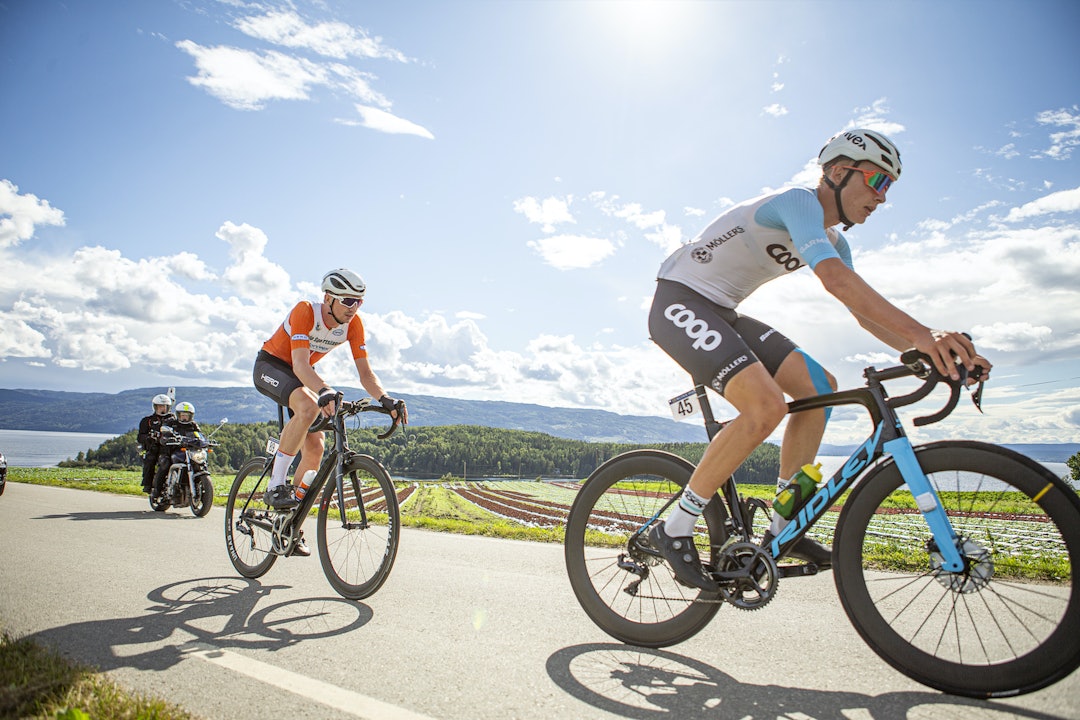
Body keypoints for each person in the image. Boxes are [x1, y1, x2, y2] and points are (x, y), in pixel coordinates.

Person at [646, 128, 991, 591]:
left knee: (820, 386)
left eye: (889, 188)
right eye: (877, 181)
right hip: (680, 301)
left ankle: (781, 528)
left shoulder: (834, 239)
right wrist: (926, 335)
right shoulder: (799, 203)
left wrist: (930, 355)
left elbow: (864, 315)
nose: (882, 198)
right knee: (766, 407)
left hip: (723, 312)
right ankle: (674, 528)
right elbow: (838, 284)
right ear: (837, 171)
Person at [253, 268, 407, 521]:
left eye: (358, 302)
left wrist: (385, 398)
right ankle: (276, 484)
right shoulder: (305, 311)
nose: (353, 307)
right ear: (328, 298)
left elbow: (366, 374)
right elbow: (300, 364)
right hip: (272, 366)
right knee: (309, 407)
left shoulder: (353, 324)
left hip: (302, 374)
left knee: (315, 448)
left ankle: (288, 520)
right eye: (347, 300)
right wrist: (324, 390)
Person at [151, 401, 202, 500]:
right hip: (170, 450)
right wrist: (167, 438)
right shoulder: (171, 422)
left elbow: (199, 435)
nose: (184, 418)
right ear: (178, 414)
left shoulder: (193, 425)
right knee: (165, 464)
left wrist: (204, 441)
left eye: (187, 415)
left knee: (199, 464)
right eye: (182, 415)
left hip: (188, 452)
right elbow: (163, 434)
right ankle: (156, 491)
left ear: (191, 416)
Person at [137, 393, 174, 494]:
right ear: (155, 407)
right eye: (160, 406)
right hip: (155, 447)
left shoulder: (173, 420)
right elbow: (140, 437)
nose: (162, 408)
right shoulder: (147, 421)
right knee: (150, 459)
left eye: (165, 406)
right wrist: (149, 438)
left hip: (171, 447)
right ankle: (148, 484)